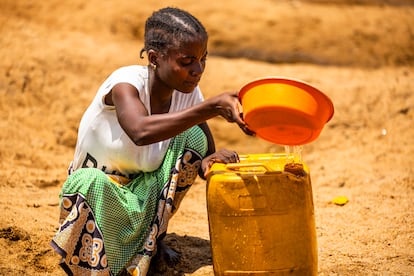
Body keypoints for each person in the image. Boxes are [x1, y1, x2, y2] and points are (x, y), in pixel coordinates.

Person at [51, 6, 252, 276]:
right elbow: (140, 131)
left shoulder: (186, 91)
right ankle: (94, 267)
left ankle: (152, 241)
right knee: (90, 183)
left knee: (190, 135)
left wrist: (208, 161)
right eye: (187, 61)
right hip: (100, 196)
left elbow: (199, 134)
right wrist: (211, 107)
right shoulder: (125, 85)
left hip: (142, 189)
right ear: (156, 58)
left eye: (203, 58)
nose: (198, 69)